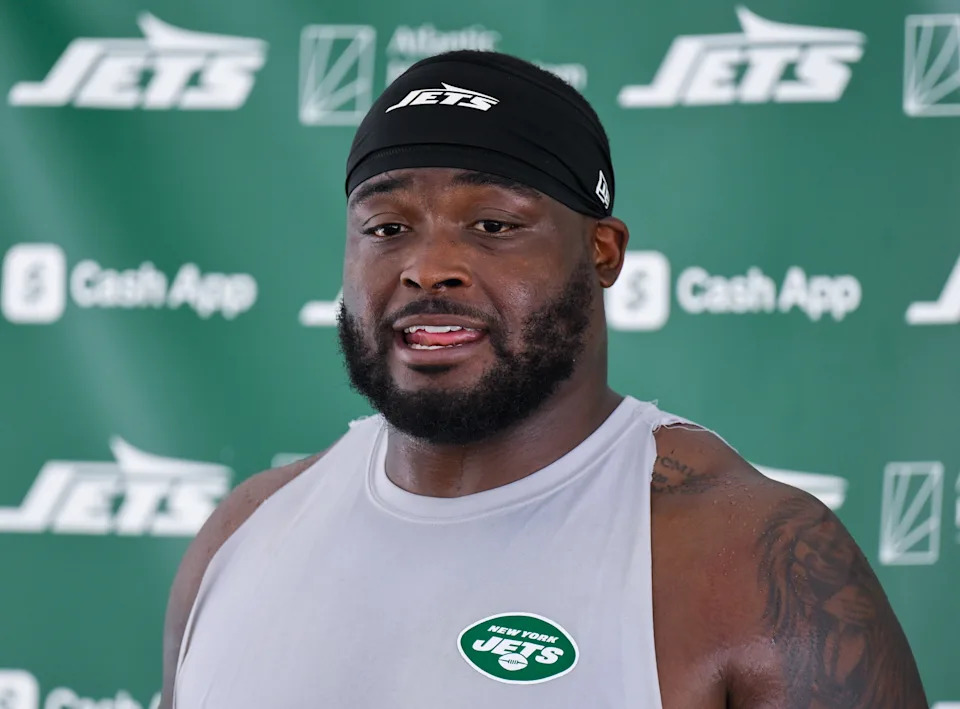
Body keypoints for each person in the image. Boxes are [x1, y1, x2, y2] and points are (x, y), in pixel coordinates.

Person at [161, 50, 927, 708]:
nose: (428, 267)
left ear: (603, 252)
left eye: (492, 224)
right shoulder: (244, 533)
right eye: (386, 228)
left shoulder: (751, 561)